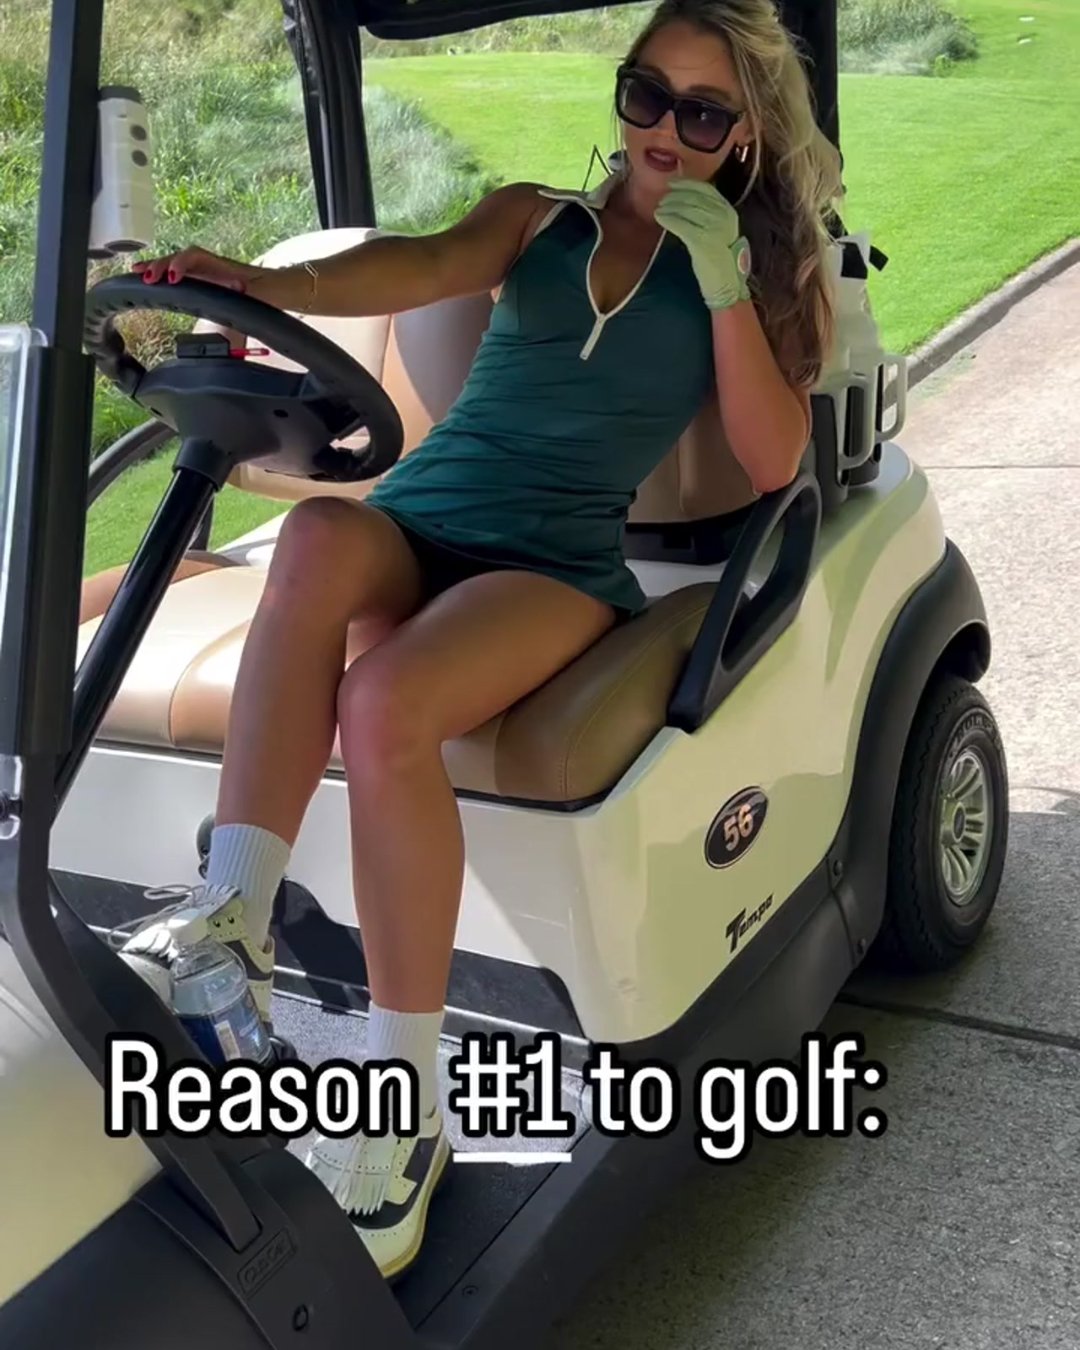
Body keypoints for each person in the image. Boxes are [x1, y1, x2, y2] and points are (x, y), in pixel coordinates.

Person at [119, 0, 842, 1280]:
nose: (662, 130)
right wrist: (265, 284)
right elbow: (409, 267)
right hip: (426, 512)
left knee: (388, 705)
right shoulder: (539, 222)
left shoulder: (746, 272)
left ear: (742, 138)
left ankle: (408, 1103)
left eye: (703, 112)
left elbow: (774, 451)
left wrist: (724, 273)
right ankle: (235, 921)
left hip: (556, 559)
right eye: (644, 93)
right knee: (315, 543)